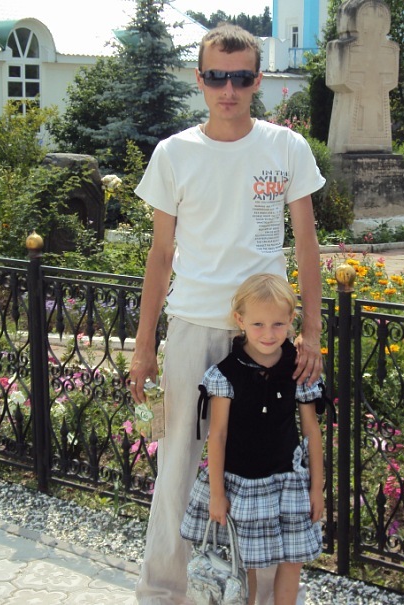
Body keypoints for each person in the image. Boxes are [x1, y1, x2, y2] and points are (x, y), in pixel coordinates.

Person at [127, 23, 326, 605]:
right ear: (200, 79)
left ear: (258, 80)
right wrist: (144, 346)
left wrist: (311, 334)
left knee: (265, 471)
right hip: (194, 329)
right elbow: (160, 255)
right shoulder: (174, 153)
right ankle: (162, 593)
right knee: (178, 466)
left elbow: (307, 245)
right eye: (217, 77)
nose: (229, 90)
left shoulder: (286, 148)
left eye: (241, 78)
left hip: (265, 341)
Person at [180, 273, 325, 605]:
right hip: (241, 484)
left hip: (289, 482)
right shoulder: (226, 374)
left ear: (291, 320)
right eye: (258, 324)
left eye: (278, 324)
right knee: (246, 566)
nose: (268, 334)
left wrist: (316, 488)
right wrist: (217, 493)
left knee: (292, 561)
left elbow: (311, 431)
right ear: (240, 320)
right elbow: (217, 436)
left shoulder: (298, 370)